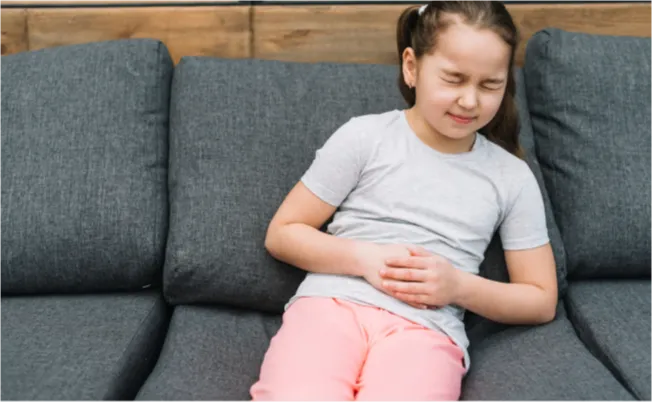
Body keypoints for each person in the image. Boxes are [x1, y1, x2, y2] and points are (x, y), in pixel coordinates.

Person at [250, 0, 558, 400]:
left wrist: (457, 287)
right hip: (331, 306)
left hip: (425, 330)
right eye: (454, 78)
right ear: (411, 67)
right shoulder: (365, 137)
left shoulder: (511, 177)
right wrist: (367, 259)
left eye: (489, 85)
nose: (469, 100)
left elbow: (540, 299)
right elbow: (283, 233)